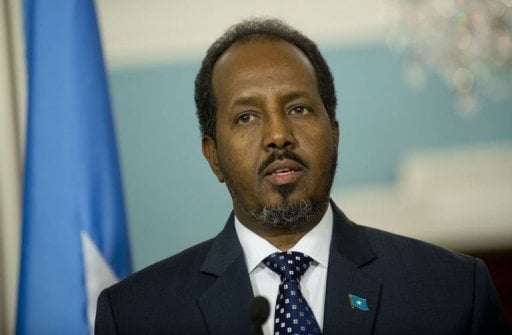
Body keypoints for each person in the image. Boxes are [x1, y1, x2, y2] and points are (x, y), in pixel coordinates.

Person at [95, 18, 509, 334]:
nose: (278, 136)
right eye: (246, 117)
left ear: (334, 132)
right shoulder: (136, 315)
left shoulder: (453, 292)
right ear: (213, 156)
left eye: (298, 109)